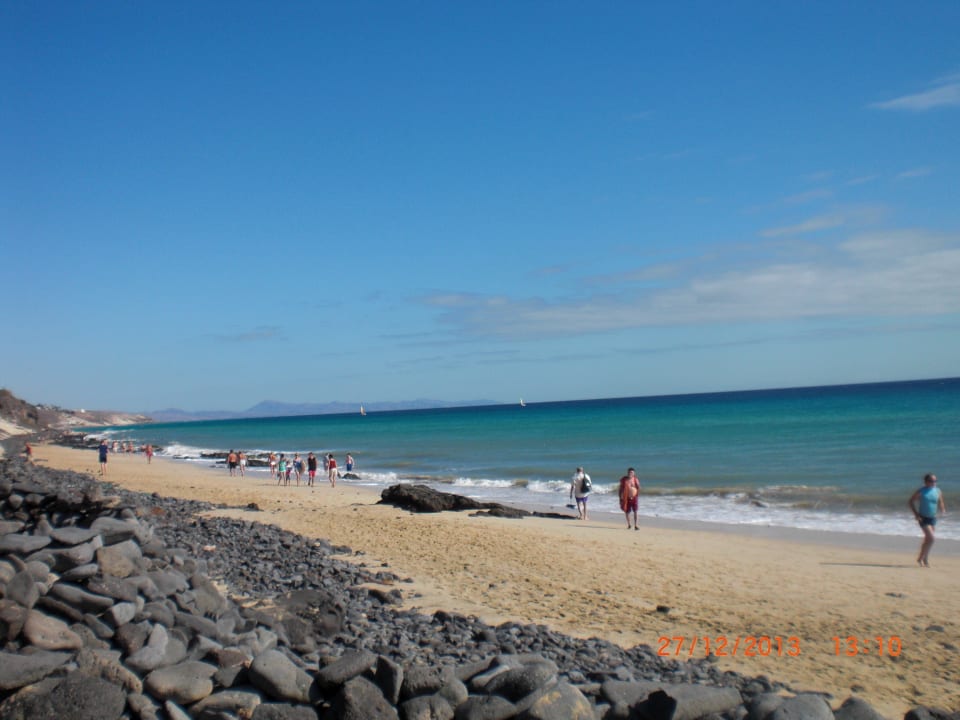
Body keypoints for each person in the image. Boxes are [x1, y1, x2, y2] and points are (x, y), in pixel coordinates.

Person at [909, 473, 946, 567]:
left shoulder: (937, 490)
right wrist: (916, 514)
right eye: (931, 481)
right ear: (926, 482)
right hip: (923, 518)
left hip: (932, 518)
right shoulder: (921, 491)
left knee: (927, 540)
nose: (934, 482)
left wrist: (942, 509)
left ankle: (924, 558)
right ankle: (921, 558)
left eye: (935, 481)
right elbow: (911, 501)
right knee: (931, 538)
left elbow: (940, 501)